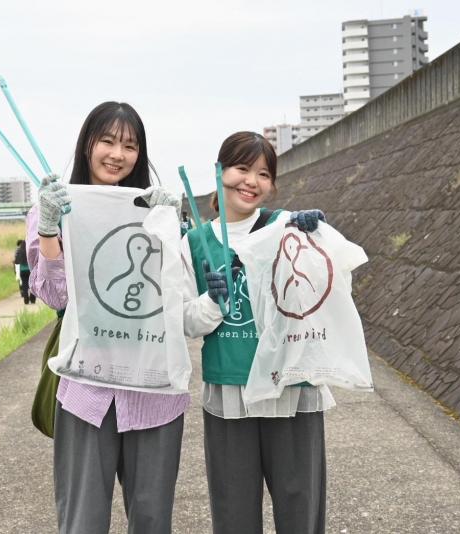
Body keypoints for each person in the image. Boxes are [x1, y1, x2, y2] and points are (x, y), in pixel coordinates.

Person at [25, 101, 186, 534]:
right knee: (82, 521)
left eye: (130, 146)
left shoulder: (156, 209)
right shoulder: (53, 207)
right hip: (86, 387)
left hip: (154, 389)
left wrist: (177, 227)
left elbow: (180, 292)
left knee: (152, 520)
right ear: (87, 144)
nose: (118, 154)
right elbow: (55, 295)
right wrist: (49, 229)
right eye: (108, 141)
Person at [182, 131, 329, 534]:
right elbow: (186, 322)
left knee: (301, 507)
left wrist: (313, 237)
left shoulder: (286, 227)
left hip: (290, 385)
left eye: (263, 174)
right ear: (218, 173)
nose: (252, 181)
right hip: (230, 391)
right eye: (242, 169)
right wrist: (213, 302)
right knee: (233, 513)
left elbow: (318, 289)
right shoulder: (194, 242)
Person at [13, 239, 35, 304]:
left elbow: (16, 262)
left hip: (22, 271)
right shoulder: (30, 250)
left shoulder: (19, 251)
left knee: (25, 285)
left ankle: (26, 299)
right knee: (31, 284)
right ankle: (32, 298)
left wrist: (16, 272)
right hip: (30, 270)